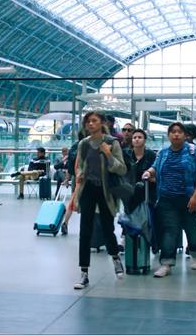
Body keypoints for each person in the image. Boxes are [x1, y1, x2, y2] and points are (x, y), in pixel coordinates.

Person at [143, 122, 196, 278]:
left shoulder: (194, 152)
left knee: (192, 228)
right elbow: (155, 166)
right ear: (168, 135)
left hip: (189, 198)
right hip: (167, 198)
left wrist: (195, 196)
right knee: (169, 230)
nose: (176, 134)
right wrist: (149, 172)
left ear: (185, 135)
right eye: (172, 132)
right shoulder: (163, 152)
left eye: (179, 132)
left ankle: (195, 254)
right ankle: (166, 263)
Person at [70, 112, 128, 289]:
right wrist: (80, 174)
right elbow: (80, 165)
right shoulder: (84, 144)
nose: (90, 124)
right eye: (88, 121)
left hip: (105, 191)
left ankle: (115, 258)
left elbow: (121, 169)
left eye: (94, 121)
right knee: (85, 230)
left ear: (102, 123)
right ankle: (84, 272)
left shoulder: (112, 142)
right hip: (88, 188)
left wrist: (108, 155)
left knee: (107, 227)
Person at [61, 130, 86, 236]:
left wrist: (67, 179)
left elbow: (70, 167)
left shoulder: (74, 147)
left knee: (72, 201)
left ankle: (65, 222)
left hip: (76, 178)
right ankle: (87, 228)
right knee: (88, 203)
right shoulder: (88, 147)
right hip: (87, 179)